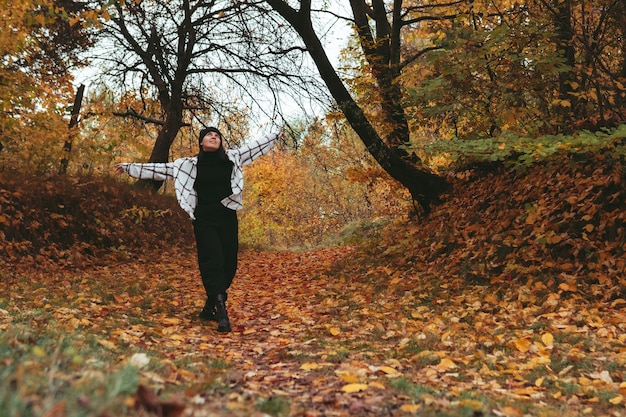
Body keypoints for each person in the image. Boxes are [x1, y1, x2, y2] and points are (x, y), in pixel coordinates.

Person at [115, 125, 281, 332]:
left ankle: (209, 306)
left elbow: (256, 147)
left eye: (217, 135)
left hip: (228, 216)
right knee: (213, 261)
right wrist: (130, 167)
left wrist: (275, 134)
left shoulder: (233, 158)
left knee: (229, 265)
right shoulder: (188, 165)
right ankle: (222, 312)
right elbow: (160, 170)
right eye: (209, 135)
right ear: (201, 142)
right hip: (204, 219)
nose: (213, 137)